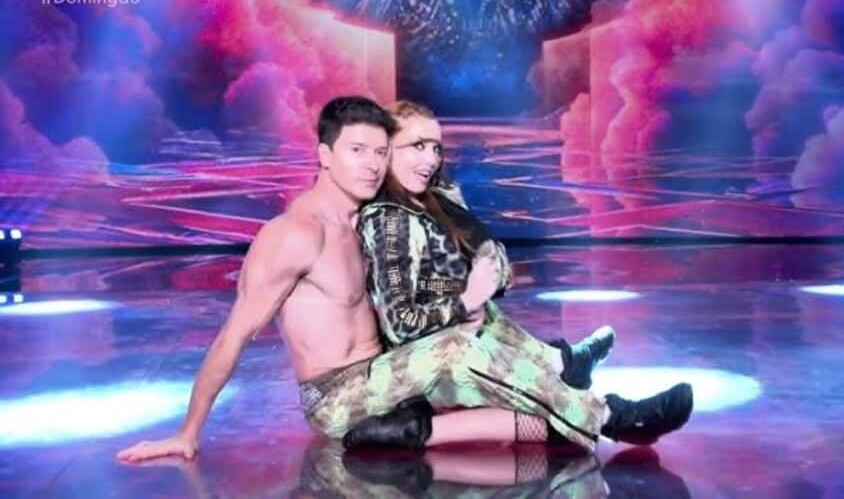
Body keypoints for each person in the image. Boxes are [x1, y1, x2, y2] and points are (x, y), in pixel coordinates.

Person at [114, 96, 641, 463]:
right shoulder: (294, 235)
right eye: (357, 151)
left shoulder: (370, 218)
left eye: (380, 152)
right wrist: (188, 432)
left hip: (391, 374)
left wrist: (470, 290)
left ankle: (561, 380)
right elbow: (234, 335)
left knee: (480, 330)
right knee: (456, 344)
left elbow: (421, 285)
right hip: (338, 395)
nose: (371, 164)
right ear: (324, 156)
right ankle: (610, 416)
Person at [342, 100, 694, 451]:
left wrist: (470, 287)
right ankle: (612, 417)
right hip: (420, 367)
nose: (431, 159)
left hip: (446, 344)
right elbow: (401, 323)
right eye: (418, 146)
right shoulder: (389, 222)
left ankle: (563, 365)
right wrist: (464, 301)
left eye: (436, 148)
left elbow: (460, 265)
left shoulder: (425, 201)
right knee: (468, 344)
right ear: (385, 150)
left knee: (486, 318)